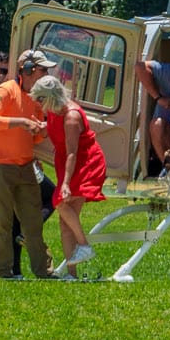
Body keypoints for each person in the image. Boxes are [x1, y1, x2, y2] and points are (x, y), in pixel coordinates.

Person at [0, 49, 54, 279]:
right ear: (29, 70)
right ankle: (3, 272)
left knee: (33, 222)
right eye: (43, 70)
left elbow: (34, 135)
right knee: (1, 221)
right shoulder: (6, 90)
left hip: (25, 166)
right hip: (0, 165)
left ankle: (44, 271)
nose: (47, 74)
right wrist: (21, 122)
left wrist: (42, 130)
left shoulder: (35, 97)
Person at [31, 74, 109, 278]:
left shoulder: (72, 116)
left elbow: (73, 151)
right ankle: (71, 275)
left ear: (50, 97)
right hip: (67, 163)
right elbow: (54, 131)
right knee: (65, 224)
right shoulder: (56, 110)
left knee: (59, 201)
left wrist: (65, 183)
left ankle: (84, 245)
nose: (38, 104)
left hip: (84, 164)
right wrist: (43, 128)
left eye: (40, 99)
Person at [139, 38, 170, 171]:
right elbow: (139, 66)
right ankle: (167, 166)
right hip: (167, 120)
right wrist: (158, 98)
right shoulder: (169, 70)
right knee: (157, 125)